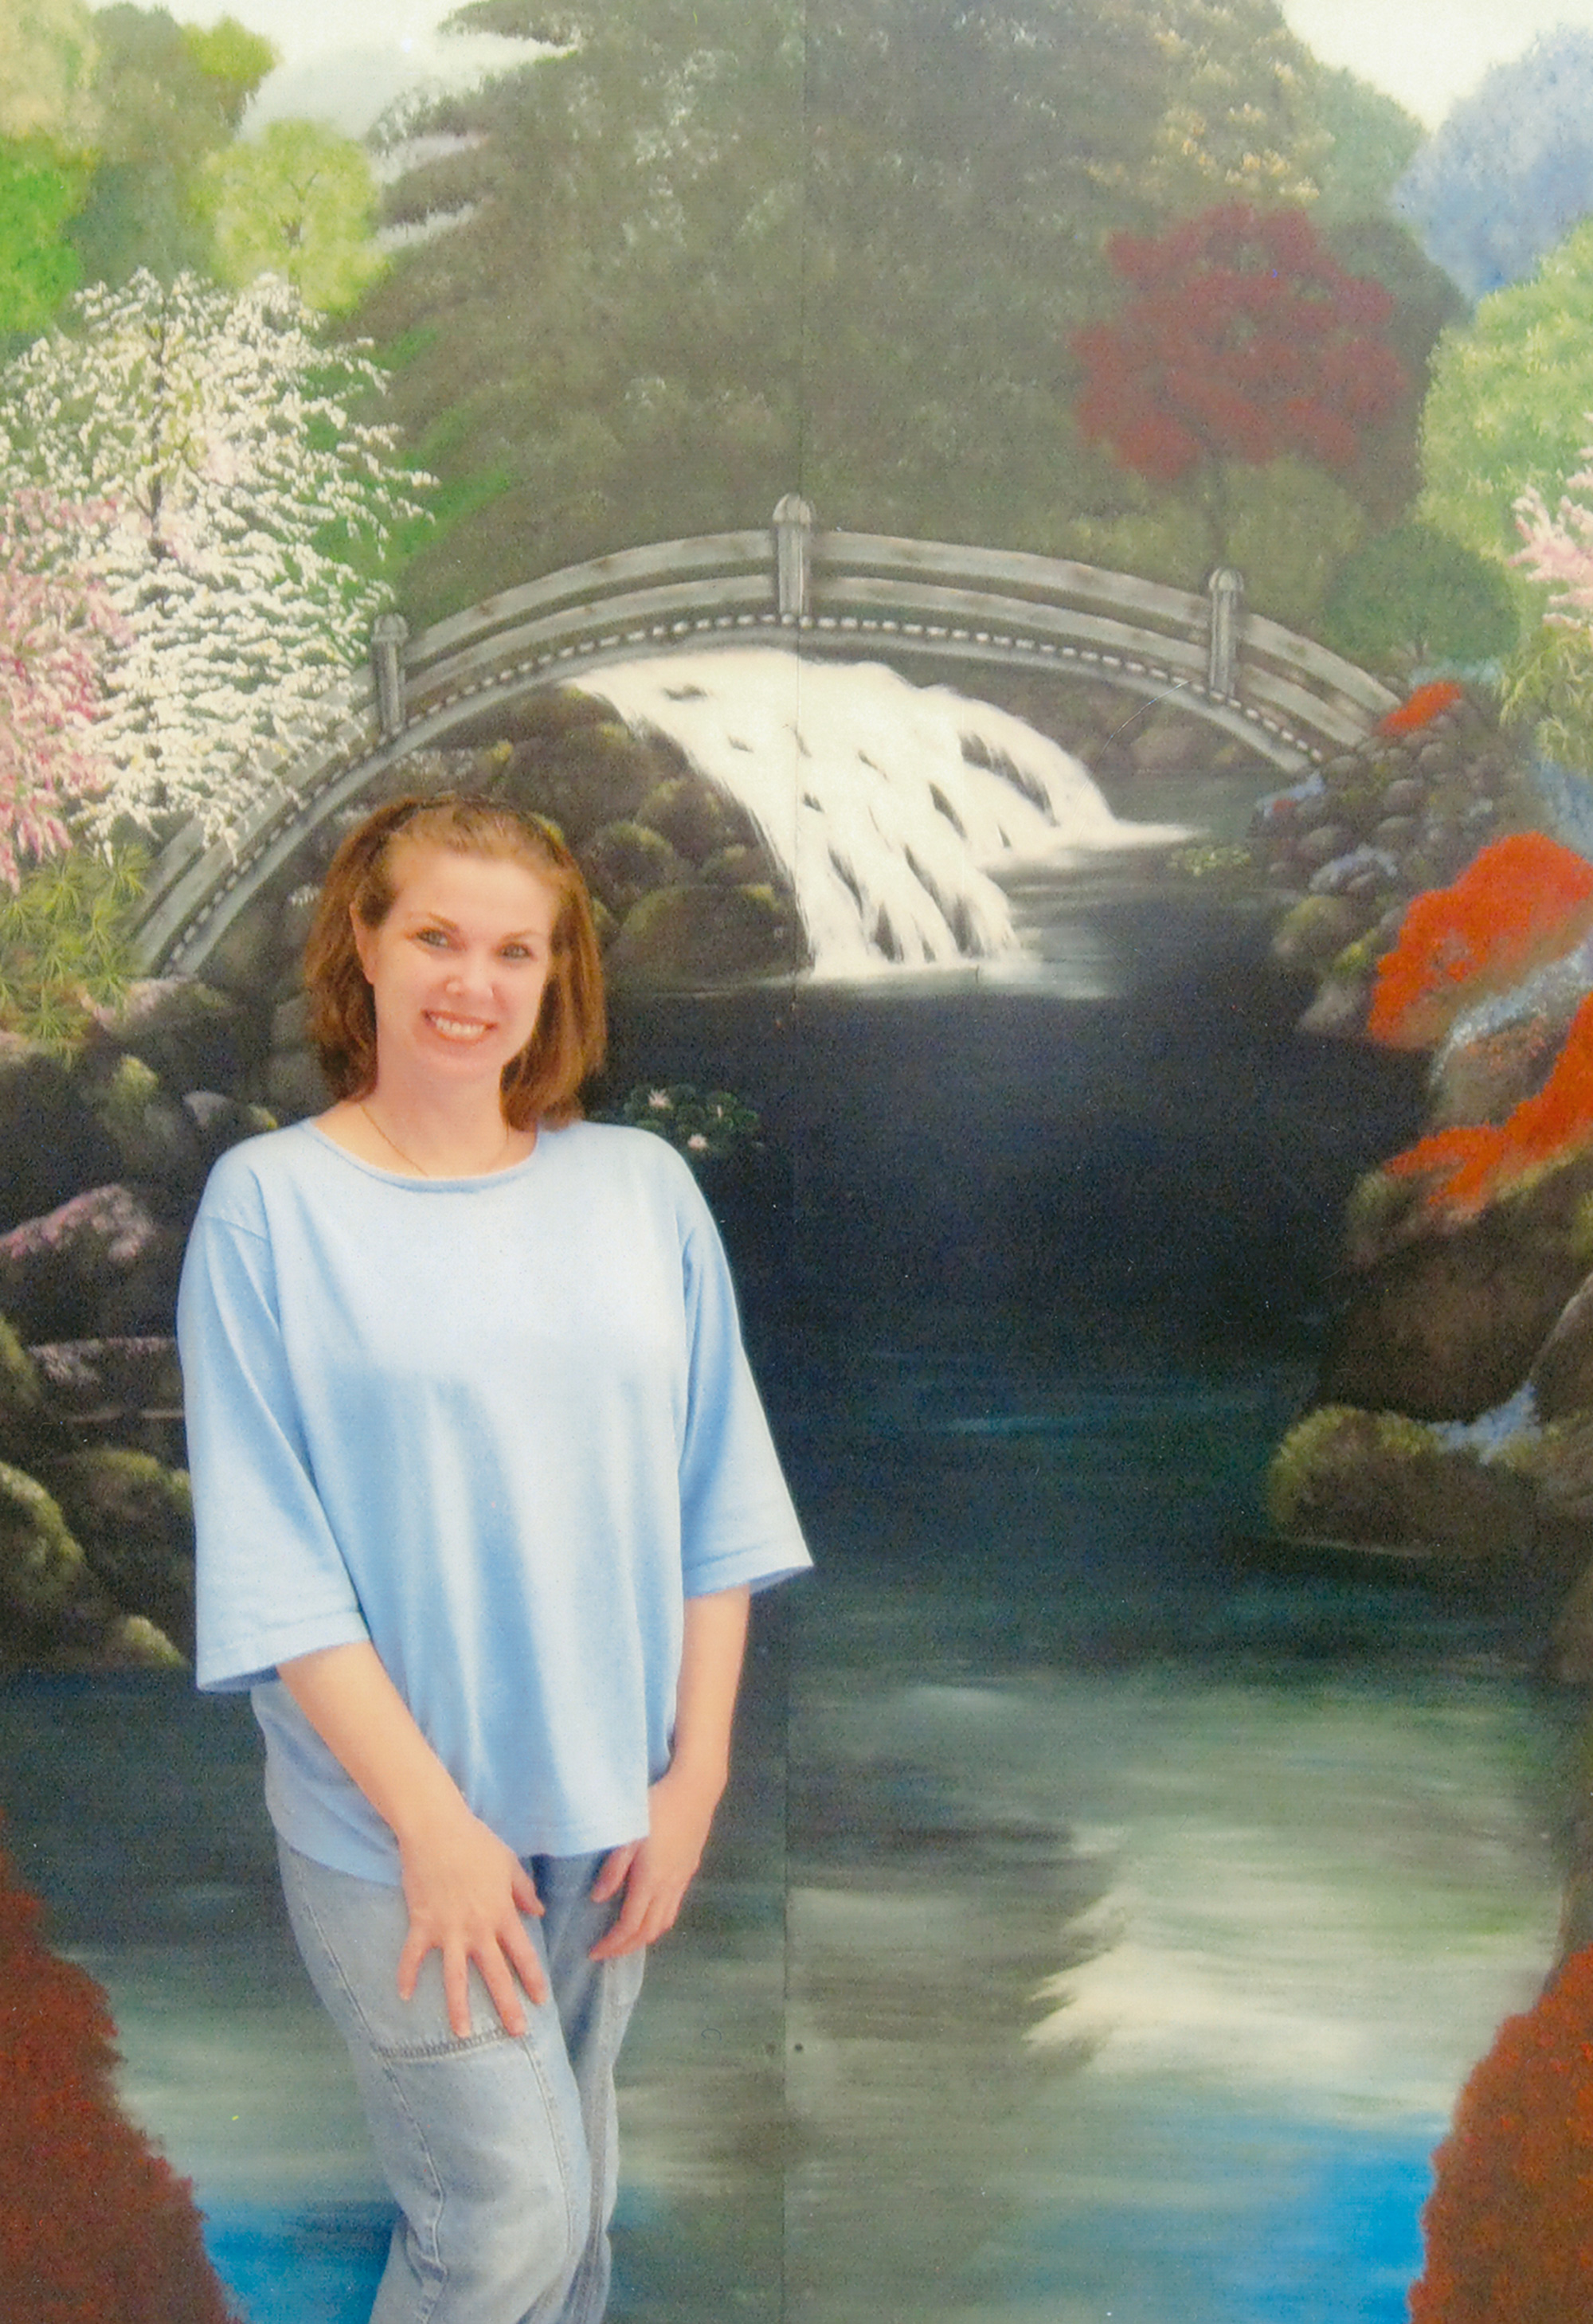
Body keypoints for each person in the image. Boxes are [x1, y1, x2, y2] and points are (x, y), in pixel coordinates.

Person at [177, 792, 811, 2324]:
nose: (475, 982)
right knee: (506, 2217)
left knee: (577, 2220)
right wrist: (433, 1831)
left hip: (609, 1812)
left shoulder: (640, 1190)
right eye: (439, 937)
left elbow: (713, 1500)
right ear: (364, 948)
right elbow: (277, 1566)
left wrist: (696, 1777)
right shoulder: (270, 1208)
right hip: (396, 1829)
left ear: (556, 977)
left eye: (513, 950)